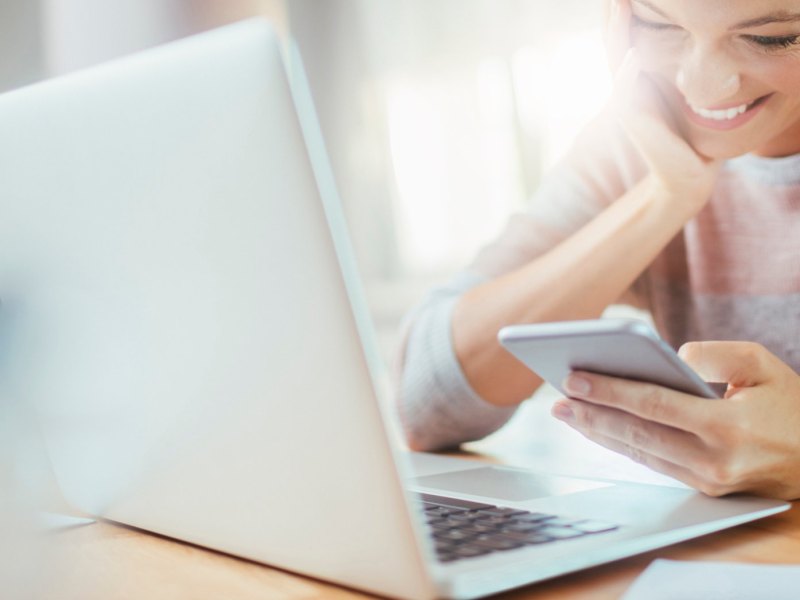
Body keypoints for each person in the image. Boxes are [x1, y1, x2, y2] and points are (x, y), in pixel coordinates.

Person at [396, 0, 800, 500]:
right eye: (660, 25)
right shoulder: (639, 142)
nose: (701, 88)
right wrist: (665, 196)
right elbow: (427, 402)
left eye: (771, 38)